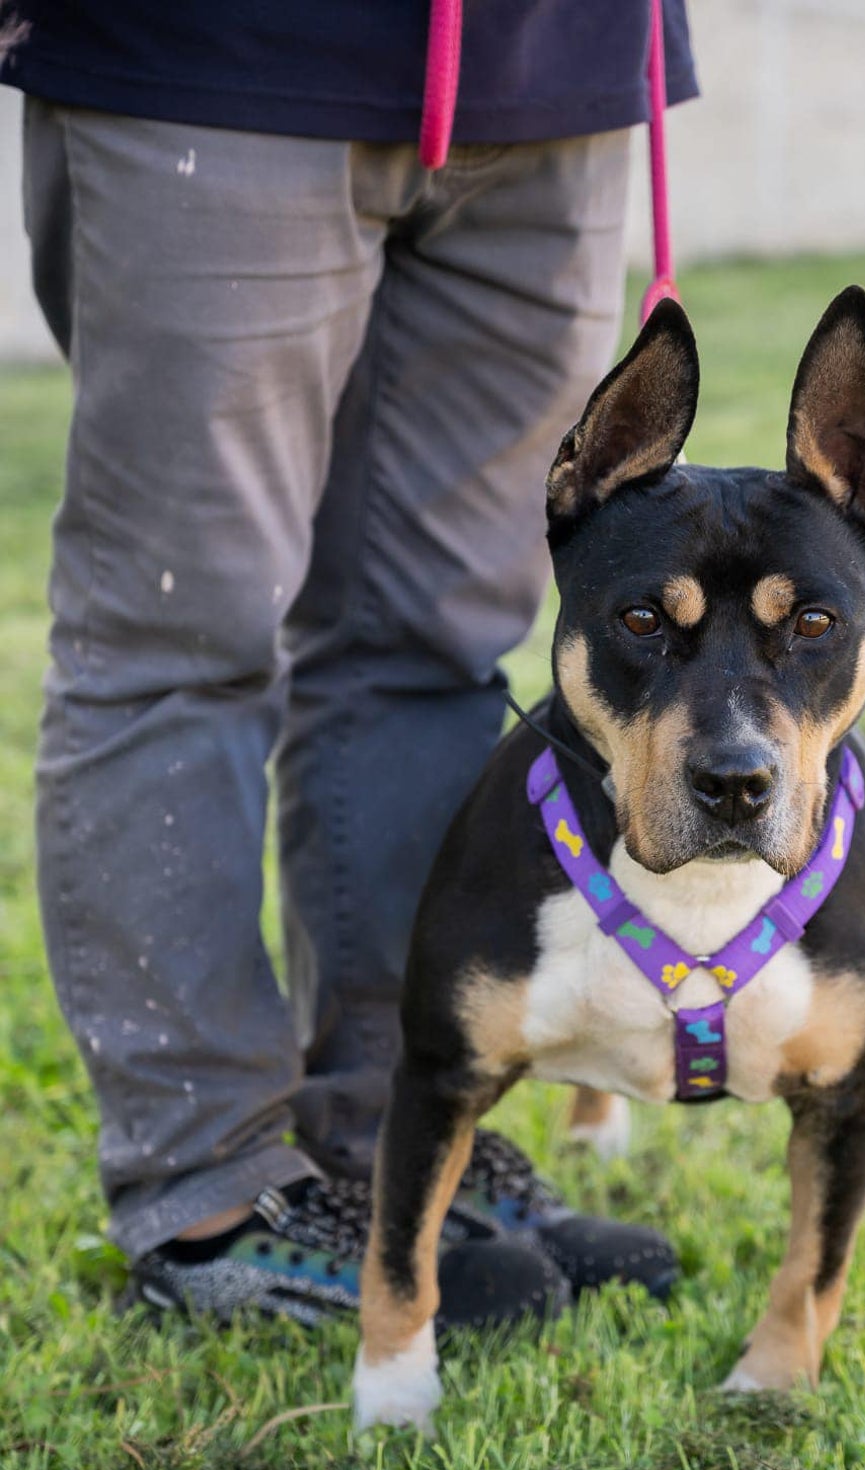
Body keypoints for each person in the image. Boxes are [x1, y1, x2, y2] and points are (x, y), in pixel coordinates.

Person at [0, 2, 697, 1330]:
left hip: (562, 60)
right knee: (175, 643)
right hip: (219, 56)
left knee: (437, 638)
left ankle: (396, 1115)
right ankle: (204, 1187)